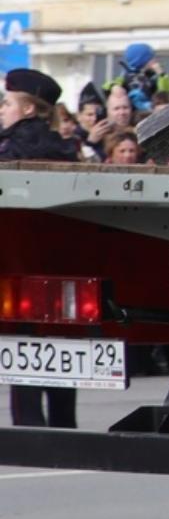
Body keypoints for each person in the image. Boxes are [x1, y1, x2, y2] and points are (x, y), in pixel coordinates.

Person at [0, 68, 81, 430]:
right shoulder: (64, 149)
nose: (2, 109)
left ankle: (30, 430)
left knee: (24, 351)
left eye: (7, 103)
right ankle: (64, 430)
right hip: (62, 263)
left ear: (29, 110)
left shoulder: (9, 150)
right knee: (62, 344)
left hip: (17, 263)